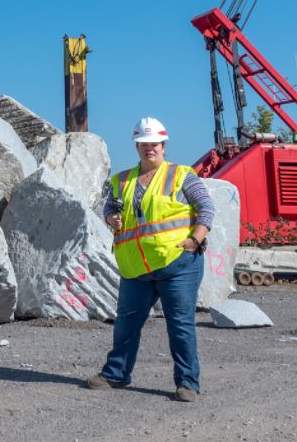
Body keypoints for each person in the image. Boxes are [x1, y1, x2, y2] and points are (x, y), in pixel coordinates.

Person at [85, 117, 214, 402]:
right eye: (143, 144)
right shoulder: (121, 180)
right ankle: (116, 374)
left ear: (163, 146)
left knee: (180, 325)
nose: (149, 148)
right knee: (126, 324)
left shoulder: (181, 175)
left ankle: (187, 383)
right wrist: (111, 217)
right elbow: (109, 207)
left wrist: (195, 240)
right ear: (137, 147)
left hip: (177, 264)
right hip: (135, 266)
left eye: (154, 143)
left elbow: (206, 208)